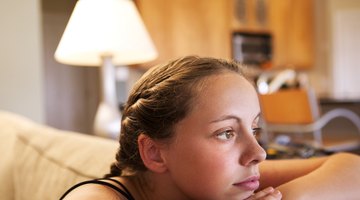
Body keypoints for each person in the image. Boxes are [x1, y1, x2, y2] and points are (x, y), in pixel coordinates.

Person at [61, 56, 360, 200]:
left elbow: (352, 170)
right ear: (154, 153)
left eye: (253, 129)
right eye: (226, 133)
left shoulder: (225, 177)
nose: (258, 153)